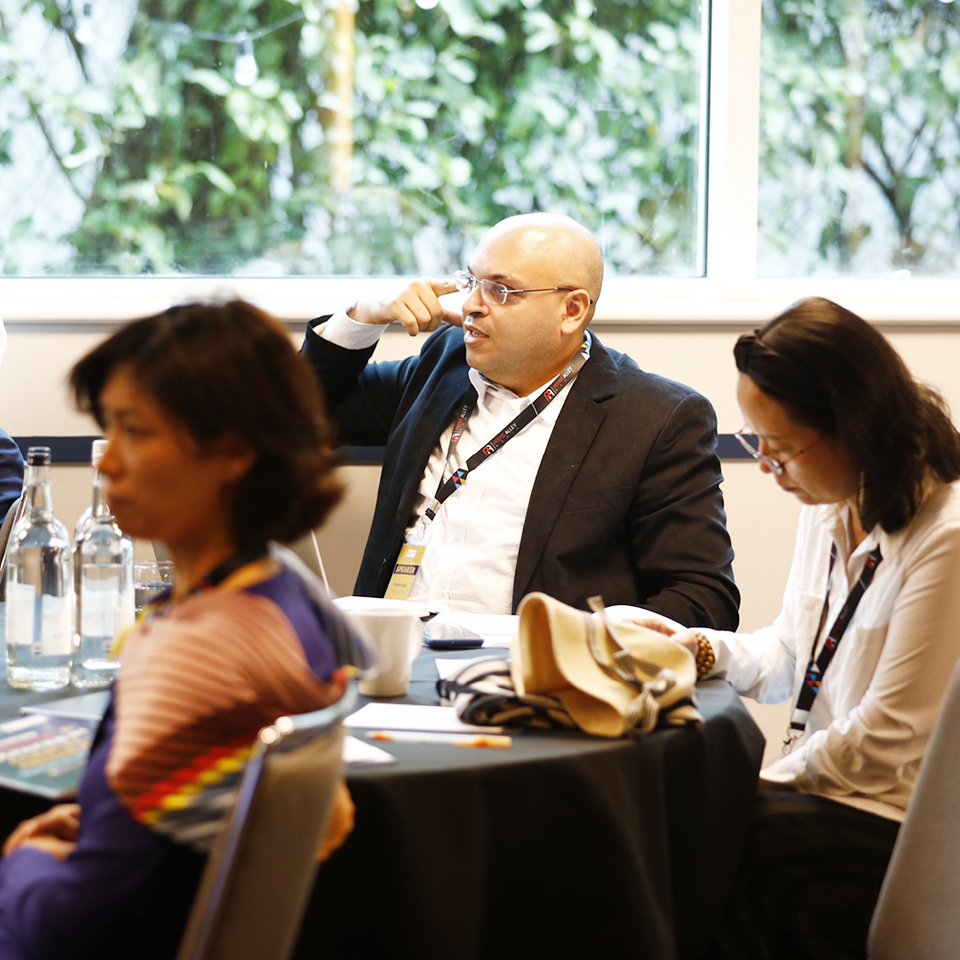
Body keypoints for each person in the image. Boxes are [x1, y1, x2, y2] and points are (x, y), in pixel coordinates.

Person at [0, 301, 370, 960]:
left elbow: (64, 931)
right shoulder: (290, 592)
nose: (107, 463)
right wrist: (107, 822)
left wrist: (21, 857)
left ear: (233, 453)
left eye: (135, 431)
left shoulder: (188, 651)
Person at [642, 297, 960, 960]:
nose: (765, 465)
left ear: (855, 425)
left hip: (897, 823)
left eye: (782, 447)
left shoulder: (946, 536)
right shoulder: (831, 501)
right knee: (673, 837)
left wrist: (762, 780)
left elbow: (888, 736)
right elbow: (791, 653)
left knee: (714, 852)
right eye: (756, 441)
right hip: (828, 790)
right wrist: (696, 648)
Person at [301, 212, 739, 627]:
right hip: (392, 656)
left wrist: (579, 647)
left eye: (500, 290)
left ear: (572, 310)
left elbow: (703, 597)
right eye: (471, 282)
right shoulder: (444, 363)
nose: (470, 305)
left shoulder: (655, 418)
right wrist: (363, 315)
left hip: (530, 671)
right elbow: (298, 414)